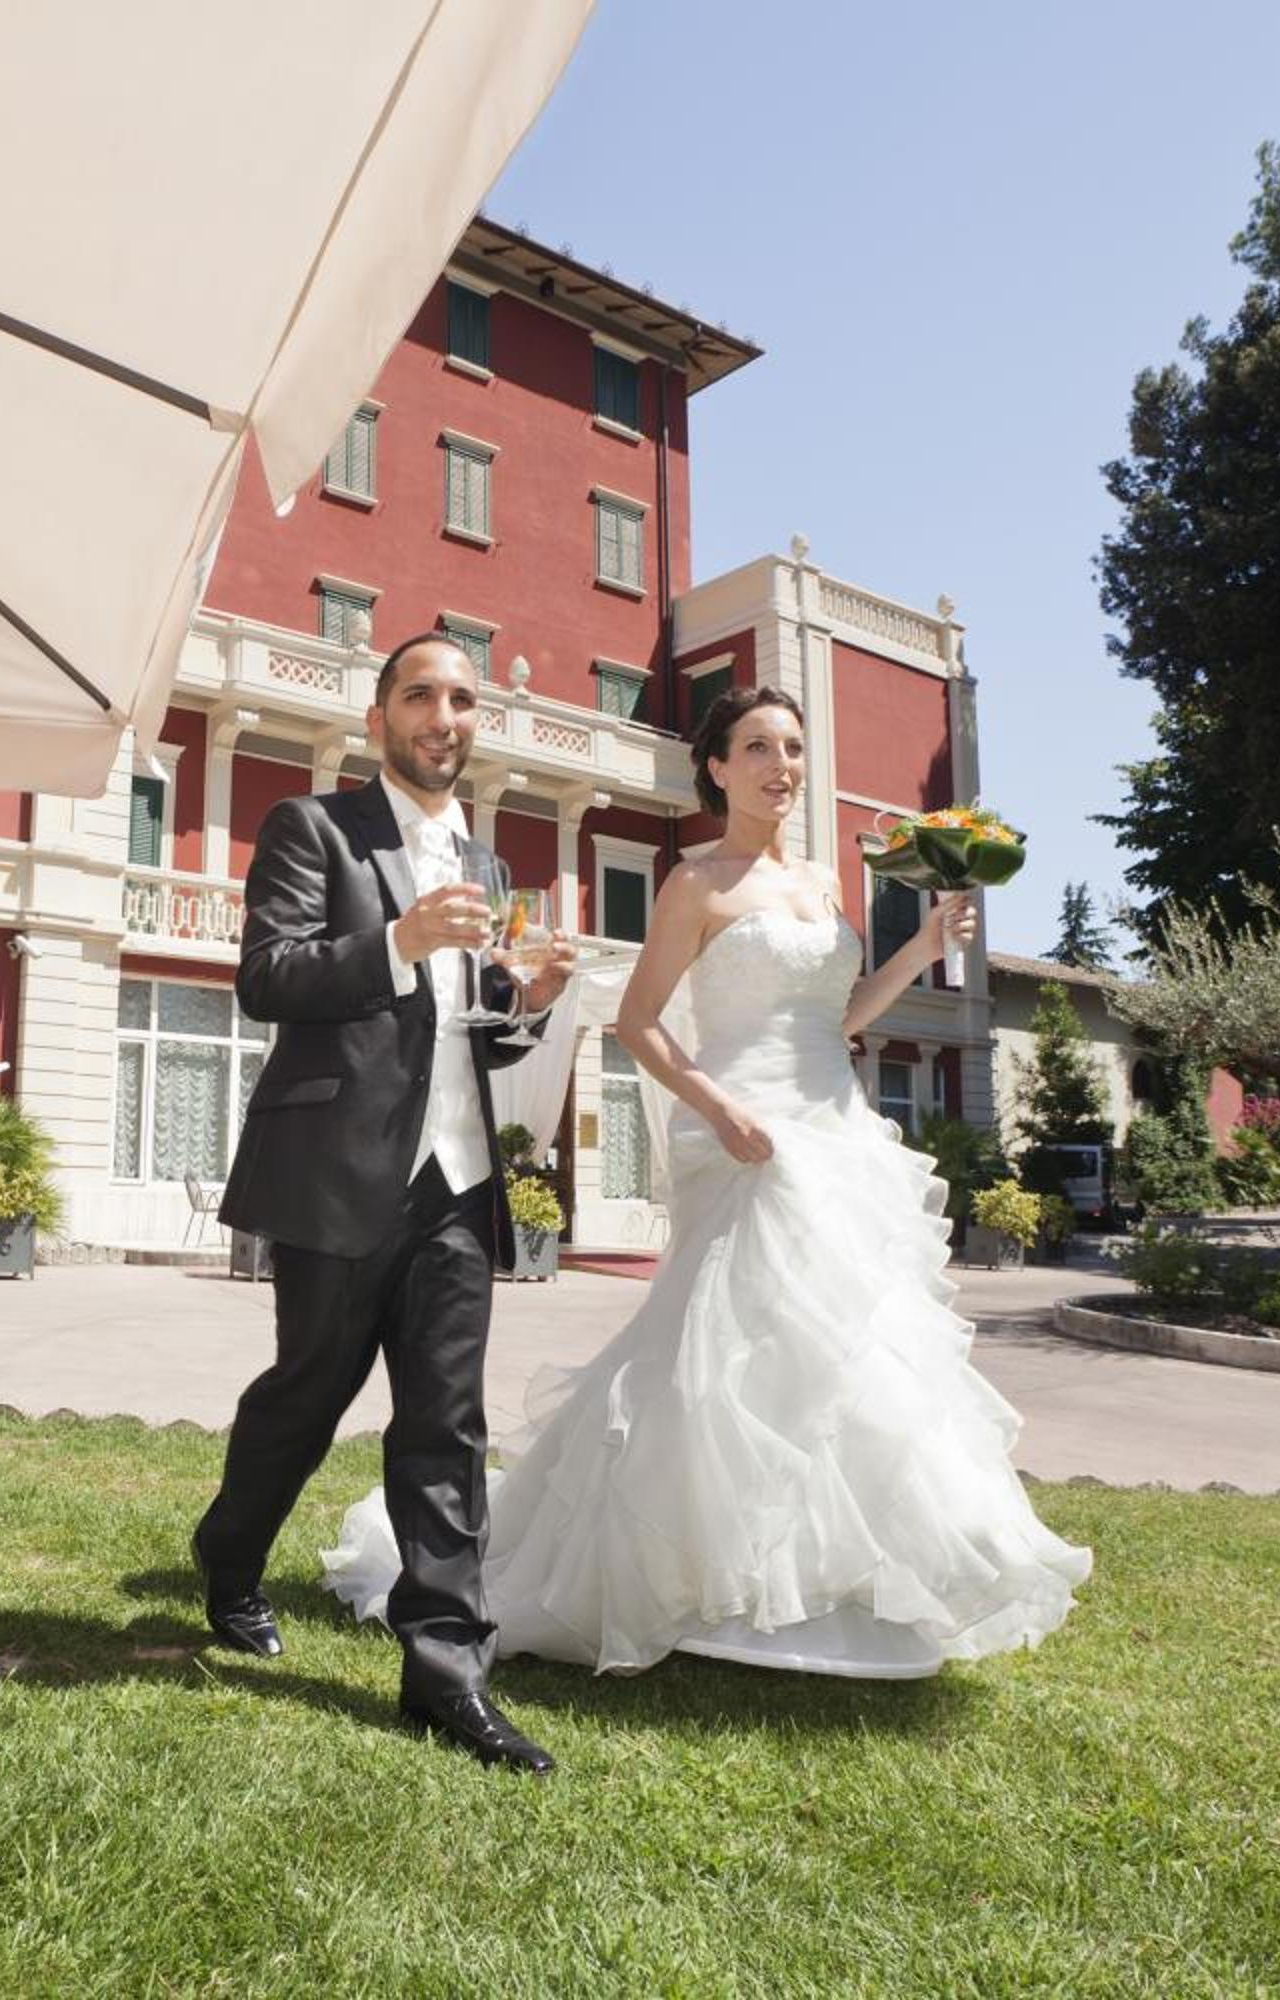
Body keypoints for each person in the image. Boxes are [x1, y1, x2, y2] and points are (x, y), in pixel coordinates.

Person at [322, 685, 1090, 1678]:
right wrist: (719, 1107)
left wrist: (923, 947)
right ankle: (692, 1575)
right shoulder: (695, 882)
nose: (782, 765)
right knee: (730, 1353)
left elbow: (839, 1018)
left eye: (794, 747)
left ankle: (817, 1583)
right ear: (718, 768)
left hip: (835, 1127)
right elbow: (639, 1020)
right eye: (758, 747)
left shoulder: (820, 883)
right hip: (743, 1132)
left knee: (845, 1351)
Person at [193, 633, 577, 1774]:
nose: (443, 716)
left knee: (446, 1426)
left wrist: (529, 1002)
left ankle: (448, 1672)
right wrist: (399, 940)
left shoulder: (490, 864)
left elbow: (476, 1032)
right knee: (307, 1395)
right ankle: (230, 1556)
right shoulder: (314, 828)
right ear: (379, 719)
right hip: (336, 1167)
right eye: (421, 695)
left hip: (458, 1183)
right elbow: (267, 975)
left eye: (462, 699)